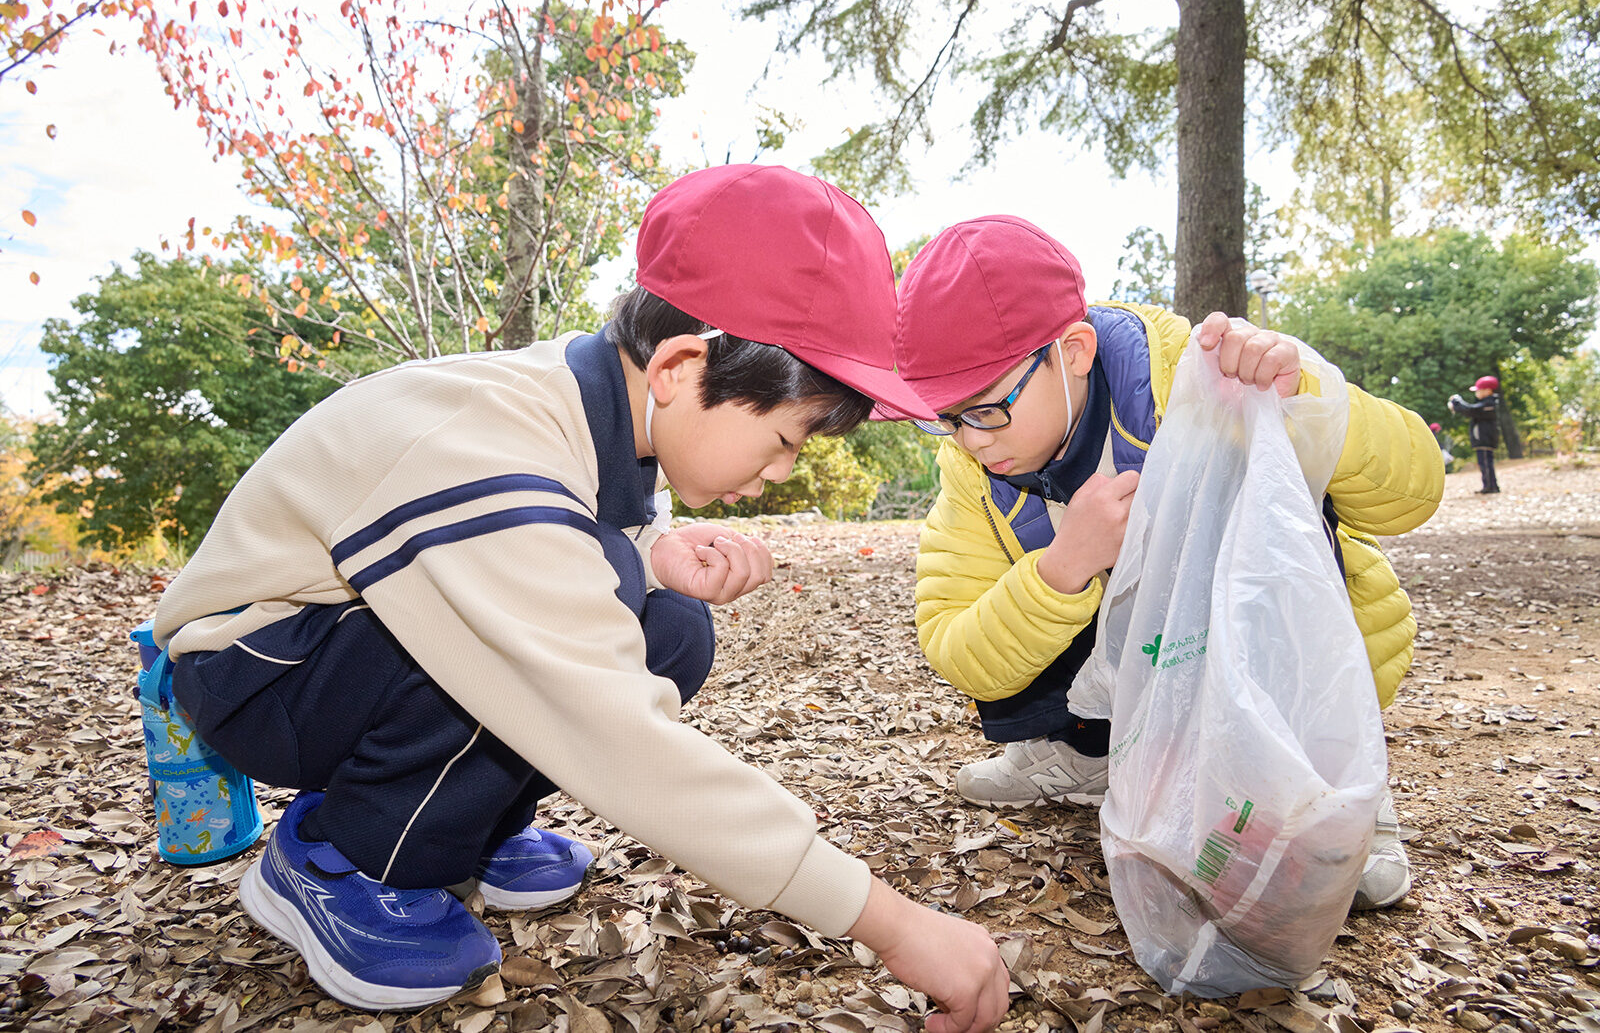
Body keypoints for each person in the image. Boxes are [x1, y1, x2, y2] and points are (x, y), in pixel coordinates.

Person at [152, 165, 1009, 1031]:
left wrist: (653, 555)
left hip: (341, 641)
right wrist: (893, 923)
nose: (781, 470)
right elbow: (610, 727)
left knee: (670, 624)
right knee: (541, 631)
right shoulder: (491, 450)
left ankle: (457, 826)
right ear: (679, 365)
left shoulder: (598, 402)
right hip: (258, 669)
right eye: (785, 438)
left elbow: (579, 562)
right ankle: (341, 857)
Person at [881, 215, 1443, 910]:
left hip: (1278, 660)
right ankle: (1086, 749)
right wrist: (1063, 568)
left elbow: (1416, 492)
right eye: (945, 417)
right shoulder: (973, 466)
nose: (968, 440)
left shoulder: (1198, 370)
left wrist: (1309, 398)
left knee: (1254, 519)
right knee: (1032, 582)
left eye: (986, 409)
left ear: (1074, 351)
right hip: (1145, 678)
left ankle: (1334, 782)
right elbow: (955, 644)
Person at [1448, 376, 1501, 493]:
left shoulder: (1489, 404)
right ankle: (1490, 485)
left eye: (1478, 390)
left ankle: (1490, 486)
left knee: (1486, 463)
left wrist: (1457, 401)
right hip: (1482, 438)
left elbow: (1471, 410)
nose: (1477, 392)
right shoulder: (1485, 403)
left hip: (1485, 438)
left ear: (1488, 390)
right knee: (1484, 462)